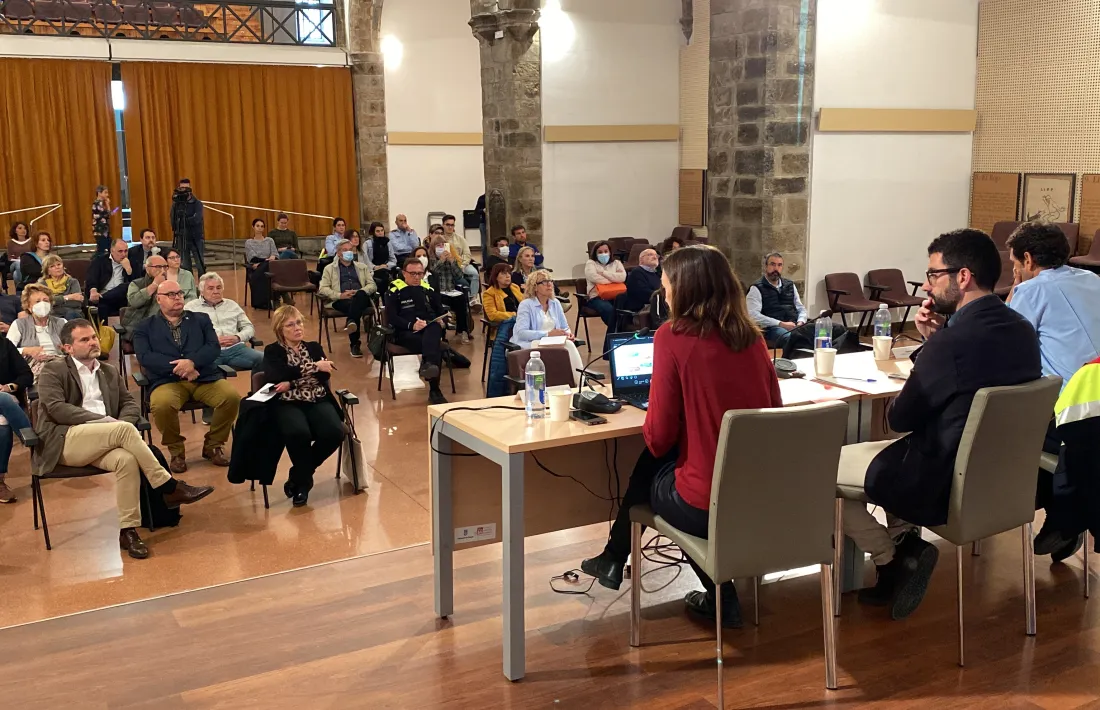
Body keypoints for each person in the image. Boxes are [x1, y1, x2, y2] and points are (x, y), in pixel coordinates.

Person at [841, 228, 1041, 621]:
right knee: (884, 460)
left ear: (962, 277)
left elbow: (899, 419)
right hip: (1001, 478)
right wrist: (935, 340)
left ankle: (890, 558)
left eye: (934, 275)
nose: (929, 286)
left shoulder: (950, 345)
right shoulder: (1021, 330)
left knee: (822, 473)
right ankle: (906, 547)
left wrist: (932, 345)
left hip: (939, 478)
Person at [580, 245, 783, 628]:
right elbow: (773, 409)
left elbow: (657, 437)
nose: (664, 292)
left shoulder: (672, 336)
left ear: (686, 288)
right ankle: (612, 556)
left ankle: (716, 595)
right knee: (667, 462)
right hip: (760, 499)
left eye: (668, 283)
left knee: (653, 460)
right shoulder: (754, 339)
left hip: (705, 506)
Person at [33, 319, 214, 558]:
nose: (92, 342)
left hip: (105, 439)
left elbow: (129, 403)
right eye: (84, 340)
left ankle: (127, 530)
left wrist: (118, 425)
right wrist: (108, 423)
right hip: (65, 439)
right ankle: (169, 486)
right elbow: (57, 409)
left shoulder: (108, 371)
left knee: (127, 460)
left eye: (94, 337)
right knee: (124, 431)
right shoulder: (53, 370)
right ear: (67, 347)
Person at [1004, 222, 1100, 558]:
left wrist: (1015, 292)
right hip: (1093, 406)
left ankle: (1063, 517)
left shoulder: (1033, 291)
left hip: (1073, 411)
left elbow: (1006, 342)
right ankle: (1064, 518)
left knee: (1007, 434)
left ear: (1028, 260)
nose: (1016, 271)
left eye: (1015, 265)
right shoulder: (1092, 279)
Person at [133, 281, 242, 473]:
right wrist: (181, 367)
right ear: (159, 299)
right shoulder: (144, 327)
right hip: (167, 381)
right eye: (171, 294)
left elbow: (213, 347)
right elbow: (145, 357)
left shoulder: (201, 319)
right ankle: (177, 452)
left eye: (180, 293)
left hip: (203, 377)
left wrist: (192, 362)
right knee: (161, 404)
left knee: (231, 397)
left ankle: (213, 445)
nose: (177, 297)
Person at [263, 306, 345, 507]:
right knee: (298, 433)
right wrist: (314, 367)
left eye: (299, 322)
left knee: (335, 432)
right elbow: (276, 376)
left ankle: (299, 474)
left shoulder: (314, 347)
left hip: (317, 398)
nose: (297, 327)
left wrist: (292, 382)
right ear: (280, 329)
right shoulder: (273, 351)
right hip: (287, 402)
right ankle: (303, 485)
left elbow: (324, 376)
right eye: (290, 324)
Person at [747, 251, 845, 354]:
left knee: (836, 330)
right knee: (793, 338)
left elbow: (800, 308)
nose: (776, 268)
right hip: (773, 328)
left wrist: (801, 322)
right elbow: (753, 316)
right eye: (772, 264)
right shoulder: (756, 288)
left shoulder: (789, 285)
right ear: (766, 267)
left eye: (779, 265)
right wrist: (781, 324)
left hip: (796, 325)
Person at [386, 258, 449, 405]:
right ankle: (434, 388)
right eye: (412, 273)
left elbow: (441, 311)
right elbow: (391, 317)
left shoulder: (428, 289)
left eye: (420, 274)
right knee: (434, 346)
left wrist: (442, 321)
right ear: (404, 273)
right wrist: (411, 325)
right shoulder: (394, 290)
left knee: (434, 328)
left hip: (428, 329)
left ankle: (429, 368)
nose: (416, 277)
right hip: (405, 333)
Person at [511, 269, 584, 386]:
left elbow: (565, 327)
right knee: (568, 346)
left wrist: (568, 334)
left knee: (568, 344)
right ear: (534, 287)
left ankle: (576, 382)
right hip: (531, 343)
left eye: (550, 281)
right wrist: (547, 334)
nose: (549, 284)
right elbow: (521, 333)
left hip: (552, 342)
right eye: (543, 282)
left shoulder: (555, 303)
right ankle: (580, 383)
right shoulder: (526, 305)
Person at [185, 272, 263, 375]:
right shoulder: (190, 308)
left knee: (266, 361)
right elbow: (187, 334)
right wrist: (211, 341)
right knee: (204, 370)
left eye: (218, 288)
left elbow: (249, 327)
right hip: (209, 351)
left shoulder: (232, 305)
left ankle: (259, 391)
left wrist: (237, 337)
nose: (216, 291)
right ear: (201, 291)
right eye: (211, 288)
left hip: (236, 349)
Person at [319, 239, 378, 358]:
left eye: (350, 250)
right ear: (339, 253)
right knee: (353, 307)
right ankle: (353, 334)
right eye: (345, 250)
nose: (349, 252)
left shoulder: (362, 267)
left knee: (360, 296)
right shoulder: (329, 269)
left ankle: (354, 341)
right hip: (340, 300)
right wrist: (340, 295)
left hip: (361, 298)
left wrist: (359, 291)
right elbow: (323, 289)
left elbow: (372, 285)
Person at [6, 284, 63, 383]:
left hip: (60, 362)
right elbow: (7, 351)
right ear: (28, 307)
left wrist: (66, 348)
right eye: (37, 301)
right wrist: (27, 350)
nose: (42, 304)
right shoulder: (19, 324)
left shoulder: (61, 322)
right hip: (34, 364)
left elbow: (73, 346)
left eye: (46, 300)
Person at [0, 334, 32, 503]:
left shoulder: (4, 344)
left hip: (4, 401)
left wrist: (9, 387)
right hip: (5, 401)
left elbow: (27, 374)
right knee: (4, 400)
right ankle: (33, 443)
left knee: (3, 423)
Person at [427, 234, 473, 344]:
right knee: (439, 304)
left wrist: (452, 262)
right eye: (438, 245)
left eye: (443, 245)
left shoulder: (450, 259)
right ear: (434, 248)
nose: (441, 247)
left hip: (450, 290)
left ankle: (462, 330)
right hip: (438, 292)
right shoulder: (431, 260)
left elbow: (459, 275)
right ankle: (442, 334)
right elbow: (431, 274)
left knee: (461, 300)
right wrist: (441, 261)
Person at [120, 254, 169, 340]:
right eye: (158, 267)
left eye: (165, 267)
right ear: (147, 268)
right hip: (139, 326)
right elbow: (134, 302)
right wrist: (154, 285)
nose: (162, 270)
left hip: (164, 327)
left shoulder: (170, 285)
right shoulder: (136, 284)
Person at [86, 238, 135, 319]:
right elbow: (92, 278)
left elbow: (135, 283)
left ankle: (103, 297)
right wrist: (93, 291)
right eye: (120, 251)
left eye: (126, 251)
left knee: (124, 286)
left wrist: (129, 270)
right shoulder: (99, 261)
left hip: (122, 297)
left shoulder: (132, 262)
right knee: (102, 307)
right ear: (112, 251)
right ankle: (104, 331)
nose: (124, 254)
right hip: (102, 295)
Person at [584, 240, 627, 329]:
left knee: (627, 310)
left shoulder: (617, 263)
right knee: (610, 311)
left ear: (610, 252)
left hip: (616, 295)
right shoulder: (591, 263)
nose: (603, 254)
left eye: (606, 251)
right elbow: (594, 278)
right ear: (595, 253)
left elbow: (622, 278)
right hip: (597, 297)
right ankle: (616, 335)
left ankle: (617, 333)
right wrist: (614, 279)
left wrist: (603, 273)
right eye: (600, 252)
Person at [170, 178, 205, 274]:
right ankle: (189, 285)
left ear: (190, 189)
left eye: (186, 188)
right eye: (182, 188)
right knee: (185, 265)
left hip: (196, 237)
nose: (184, 190)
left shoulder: (197, 203)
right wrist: (185, 222)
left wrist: (183, 221)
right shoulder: (176, 205)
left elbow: (197, 219)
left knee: (200, 264)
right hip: (182, 237)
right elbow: (173, 221)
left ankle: (203, 285)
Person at [244, 218, 279, 309]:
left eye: (262, 226)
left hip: (268, 265)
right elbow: (253, 258)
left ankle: (264, 301)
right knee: (266, 265)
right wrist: (266, 260)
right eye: (257, 226)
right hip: (257, 267)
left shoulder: (269, 240)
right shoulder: (249, 242)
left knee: (269, 265)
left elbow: (275, 254)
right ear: (253, 227)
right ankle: (275, 298)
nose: (260, 228)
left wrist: (270, 258)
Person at [441, 214, 479, 294]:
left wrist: (463, 265)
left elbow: (467, 254)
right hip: (446, 266)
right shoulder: (440, 239)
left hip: (462, 264)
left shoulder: (460, 239)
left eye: (452, 225)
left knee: (474, 274)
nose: (450, 227)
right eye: (448, 225)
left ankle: (473, 299)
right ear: (443, 225)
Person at [39, 255, 84, 321]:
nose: (57, 267)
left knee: (70, 314)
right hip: (52, 314)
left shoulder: (73, 282)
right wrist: (68, 297)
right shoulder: (42, 284)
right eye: (52, 266)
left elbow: (77, 303)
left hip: (72, 314)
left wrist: (55, 302)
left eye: (59, 264)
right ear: (48, 271)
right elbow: (44, 302)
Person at [623, 248, 660, 313]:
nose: (655, 257)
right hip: (643, 308)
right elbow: (643, 293)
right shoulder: (637, 272)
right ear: (641, 259)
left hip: (657, 304)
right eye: (650, 254)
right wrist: (662, 295)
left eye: (656, 255)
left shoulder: (657, 273)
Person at [365, 221, 397, 293]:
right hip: (373, 270)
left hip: (386, 268)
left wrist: (386, 265)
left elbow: (393, 260)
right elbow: (365, 260)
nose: (380, 233)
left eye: (382, 230)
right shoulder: (368, 244)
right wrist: (375, 267)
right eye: (378, 231)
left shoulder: (388, 243)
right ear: (373, 232)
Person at [92, 184, 115, 256]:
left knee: (108, 247)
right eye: (105, 192)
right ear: (99, 193)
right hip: (100, 230)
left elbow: (109, 214)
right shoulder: (97, 203)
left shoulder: (101, 203)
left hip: (104, 229)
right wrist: (108, 205)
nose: (107, 195)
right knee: (102, 249)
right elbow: (107, 214)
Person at [8, 221, 32, 285]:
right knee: (18, 264)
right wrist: (20, 259)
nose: (23, 230)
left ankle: (20, 289)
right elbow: (10, 258)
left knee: (16, 275)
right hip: (15, 263)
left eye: (25, 228)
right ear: (15, 231)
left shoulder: (31, 241)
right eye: (20, 228)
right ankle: (24, 284)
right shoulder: (11, 242)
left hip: (28, 263)